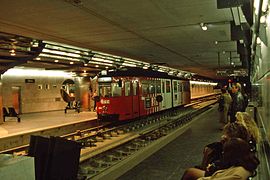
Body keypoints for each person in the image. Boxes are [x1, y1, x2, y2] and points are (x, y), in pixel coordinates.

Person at [181, 123, 249, 180]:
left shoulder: (233, 150)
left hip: (220, 174)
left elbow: (225, 164)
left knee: (190, 172)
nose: (222, 137)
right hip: (223, 172)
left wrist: (213, 166)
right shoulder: (242, 148)